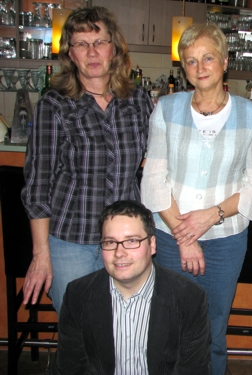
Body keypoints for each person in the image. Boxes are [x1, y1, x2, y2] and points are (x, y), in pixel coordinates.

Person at [141, 23, 252, 375]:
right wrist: (185, 235)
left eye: (208, 57)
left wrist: (210, 216)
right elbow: (153, 181)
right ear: (184, 68)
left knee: (213, 331)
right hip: (169, 238)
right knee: (172, 327)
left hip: (226, 242)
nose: (200, 67)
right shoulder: (166, 109)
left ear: (225, 61)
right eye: (191, 61)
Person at [21, 6, 153, 315]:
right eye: (81, 44)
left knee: (126, 327)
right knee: (80, 331)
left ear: (114, 49)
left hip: (128, 241)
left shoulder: (138, 100)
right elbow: (38, 185)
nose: (91, 52)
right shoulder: (54, 105)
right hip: (72, 241)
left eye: (99, 42)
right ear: (70, 53)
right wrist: (41, 254)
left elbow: (156, 164)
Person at [52, 200, 211, 374]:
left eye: (132, 241)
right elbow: (71, 368)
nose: (119, 253)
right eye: (110, 242)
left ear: (152, 245)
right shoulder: (77, 294)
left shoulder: (189, 298)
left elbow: (192, 370)